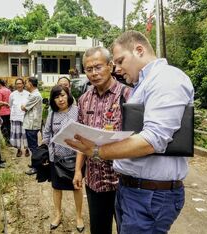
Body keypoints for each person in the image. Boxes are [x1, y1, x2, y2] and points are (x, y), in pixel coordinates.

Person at [65, 31, 194, 233]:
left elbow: (152, 139)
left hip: (149, 194)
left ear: (139, 50)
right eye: (88, 69)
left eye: (120, 61)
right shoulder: (141, 85)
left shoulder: (166, 79)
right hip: (130, 189)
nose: (118, 68)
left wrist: (97, 151)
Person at [72, 46, 131, 234]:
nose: (94, 73)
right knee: (98, 230)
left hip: (123, 181)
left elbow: (139, 137)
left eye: (98, 67)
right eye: (89, 69)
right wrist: (78, 171)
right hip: (94, 181)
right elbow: (81, 138)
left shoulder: (128, 95)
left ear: (110, 66)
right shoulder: (83, 100)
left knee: (127, 229)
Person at [42, 85, 84, 232]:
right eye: (56, 97)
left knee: (76, 187)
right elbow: (46, 133)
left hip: (75, 157)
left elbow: (83, 132)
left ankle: (79, 216)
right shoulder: (52, 113)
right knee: (56, 188)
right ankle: (58, 215)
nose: (60, 99)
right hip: (57, 158)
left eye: (63, 95)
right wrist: (47, 148)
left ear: (68, 95)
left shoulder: (77, 111)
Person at [21, 77, 43, 175]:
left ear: (30, 84)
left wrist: (23, 106)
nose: (25, 85)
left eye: (26, 83)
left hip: (32, 124)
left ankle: (36, 166)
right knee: (33, 145)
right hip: (31, 123)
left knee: (33, 146)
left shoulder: (35, 95)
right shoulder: (34, 94)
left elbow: (24, 107)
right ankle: (35, 163)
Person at [9, 78, 30, 157]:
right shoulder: (12, 94)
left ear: (23, 84)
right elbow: (10, 105)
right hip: (16, 117)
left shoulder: (28, 94)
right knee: (17, 134)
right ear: (15, 85)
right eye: (17, 84)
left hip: (25, 117)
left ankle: (27, 149)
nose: (19, 85)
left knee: (26, 134)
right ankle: (19, 149)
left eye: (20, 83)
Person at [0, 79, 12, 145]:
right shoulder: (9, 90)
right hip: (10, 111)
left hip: (3, 112)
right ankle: (11, 140)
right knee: (9, 126)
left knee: (3, 126)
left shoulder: (0, 91)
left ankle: (7, 141)